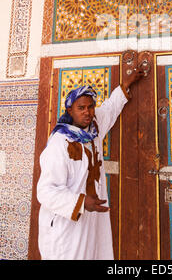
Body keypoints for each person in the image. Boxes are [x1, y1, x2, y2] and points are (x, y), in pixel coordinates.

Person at [37, 68, 143, 260]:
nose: (87, 112)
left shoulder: (93, 129)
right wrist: (81, 202)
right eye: (81, 108)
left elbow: (110, 109)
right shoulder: (59, 143)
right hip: (66, 224)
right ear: (70, 110)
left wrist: (126, 84)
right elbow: (45, 191)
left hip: (89, 221)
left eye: (91, 107)